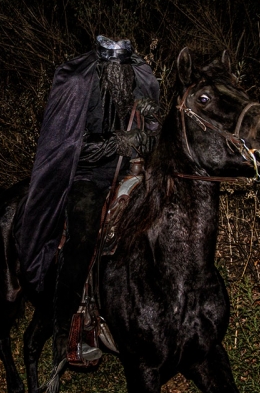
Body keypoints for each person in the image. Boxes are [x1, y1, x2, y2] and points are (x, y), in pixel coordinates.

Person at [15, 35, 161, 363]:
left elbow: (152, 135)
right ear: (102, 68)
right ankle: (66, 326)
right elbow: (71, 143)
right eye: (115, 70)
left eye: (126, 70)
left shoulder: (134, 87)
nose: (122, 77)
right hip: (85, 178)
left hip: (130, 174)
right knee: (82, 238)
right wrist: (116, 141)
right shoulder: (82, 90)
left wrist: (152, 120)